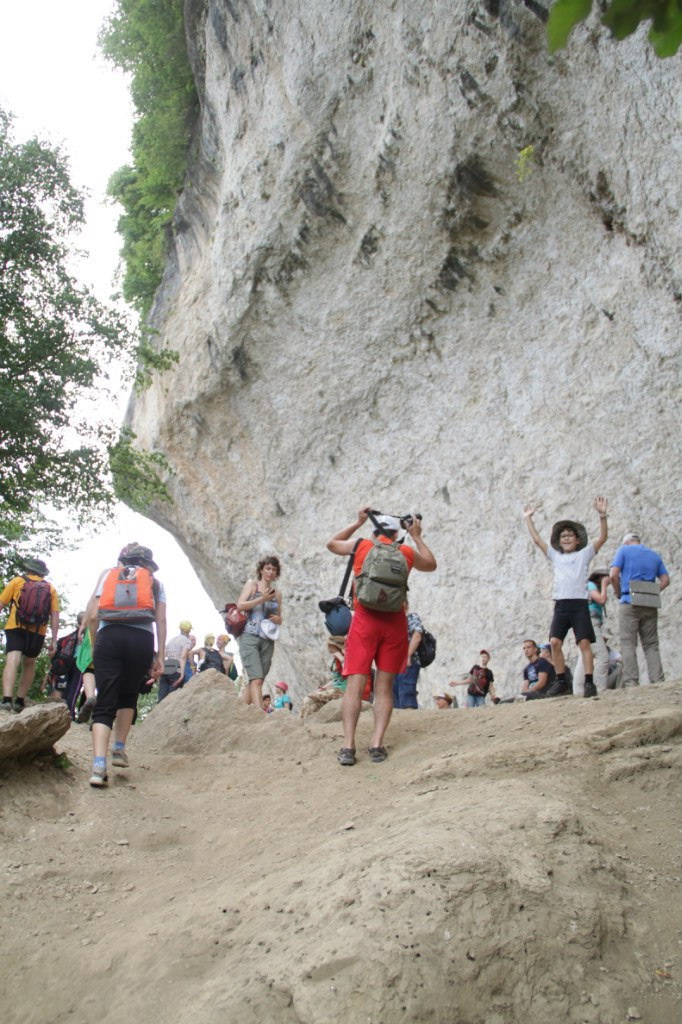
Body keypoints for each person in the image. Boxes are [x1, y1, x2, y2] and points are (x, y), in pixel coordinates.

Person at [327, 506, 437, 766]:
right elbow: (431, 564)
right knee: (384, 687)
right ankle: (376, 745)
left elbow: (331, 544)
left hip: (364, 622)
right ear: (398, 532)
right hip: (394, 624)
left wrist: (357, 522)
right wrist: (417, 536)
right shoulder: (406, 552)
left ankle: (348, 746)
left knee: (355, 684)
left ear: (375, 532)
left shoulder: (362, 546)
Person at [81, 543, 165, 787]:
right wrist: (157, 655)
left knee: (106, 698)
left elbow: (94, 614)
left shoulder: (109, 575)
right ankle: (119, 748)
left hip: (109, 637)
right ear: (148, 564)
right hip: (141, 639)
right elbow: (160, 618)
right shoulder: (155, 582)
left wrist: (96, 644)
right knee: (128, 693)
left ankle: (98, 766)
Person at [523, 498, 608, 698]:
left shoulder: (585, 554)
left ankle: (589, 682)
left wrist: (602, 515)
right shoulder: (556, 556)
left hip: (579, 604)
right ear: (558, 541)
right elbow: (537, 540)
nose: (567, 538)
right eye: (563, 536)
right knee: (554, 642)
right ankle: (561, 680)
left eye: (570, 535)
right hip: (561, 604)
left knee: (584, 643)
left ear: (578, 540)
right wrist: (528, 519)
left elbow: (603, 537)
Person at [0, 557, 60, 714]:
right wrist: (54, 639)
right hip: (37, 631)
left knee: (13, 659)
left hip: (16, 626)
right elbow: (54, 614)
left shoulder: (17, 581)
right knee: (29, 663)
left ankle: (7, 700)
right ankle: (20, 700)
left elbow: (1, 603)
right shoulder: (50, 588)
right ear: (42, 574)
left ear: (28, 569)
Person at [610, 532, 670, 687]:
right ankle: (657, 680)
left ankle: (631, 682)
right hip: (649, 602)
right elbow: (665, 580)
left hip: (628, 600)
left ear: (626, 542)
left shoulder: (623, 551)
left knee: (628, 643)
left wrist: (618, 593)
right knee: (651, 644)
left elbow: (613, 575)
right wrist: (651, 591)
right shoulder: (654, 555)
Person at [237, 556, 283, 709]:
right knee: (256, 679)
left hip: (267, 640)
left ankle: (238, 712)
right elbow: (240, 606)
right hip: (249, 635)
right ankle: (259, 715)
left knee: (258, 680)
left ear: (276, 573)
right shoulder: (252, 585)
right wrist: (261, 599)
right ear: (261, 570)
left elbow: (279, 616)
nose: (270, 572)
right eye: (268, 568)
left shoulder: (277, 594)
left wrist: (278, 619)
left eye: (274, 569)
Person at [392, 603, 425, 709]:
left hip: (408, 662)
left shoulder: (411, 617)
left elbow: (417, 635)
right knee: (395, 698)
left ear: (406, 605)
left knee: (406, 696)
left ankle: (410, 722)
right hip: (393, 665)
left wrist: (407, 656)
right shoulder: (392, 621)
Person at [157, 619, 193, 702]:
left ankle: (159, 711)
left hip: (166, 666)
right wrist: (182, 674)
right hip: (176, 667)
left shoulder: (172, 640)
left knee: (162, 694)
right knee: (174, 695)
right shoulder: (187, 641)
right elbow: (183, 657)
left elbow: (163, 655)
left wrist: (159, 670)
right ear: (189, 630)